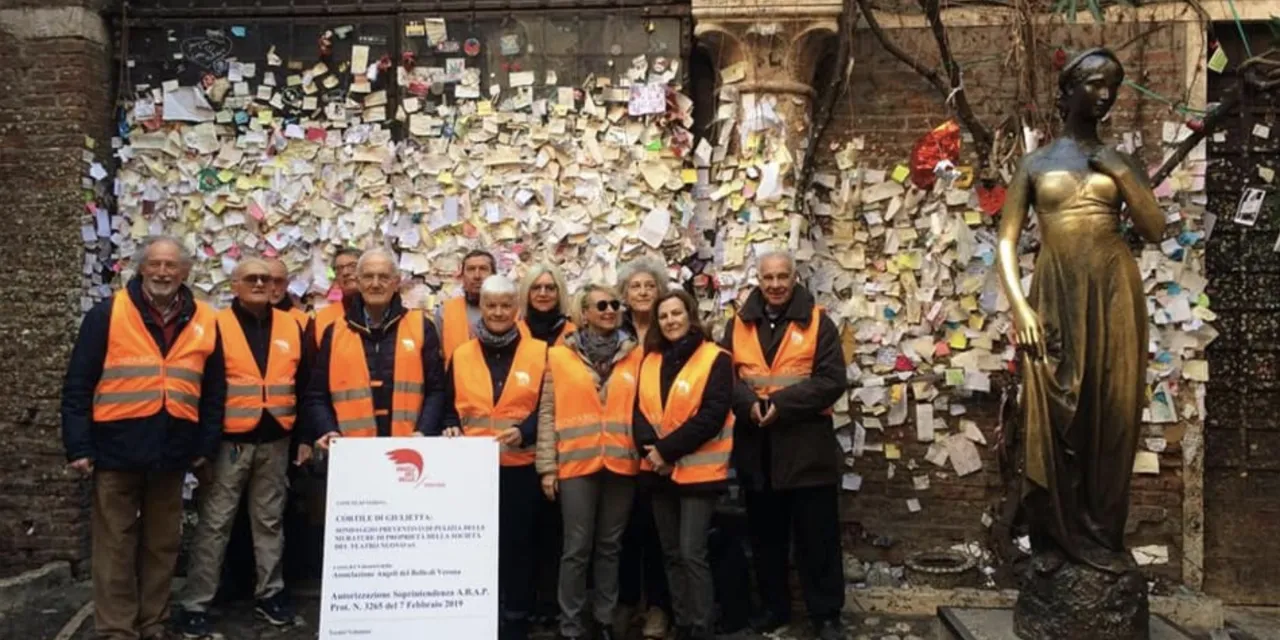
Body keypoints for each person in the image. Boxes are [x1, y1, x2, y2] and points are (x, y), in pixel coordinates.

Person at [996, 50, 1162, 636]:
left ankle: (1103, 537)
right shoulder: (1036, 163)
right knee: (1052, 419)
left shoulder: (1116, 158)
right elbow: (1007, 242)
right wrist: (1020, 308)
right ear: (1068, 89)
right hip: (1054, 294)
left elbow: (1155, 227)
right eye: (1095, 83)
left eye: (1113, 87)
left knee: (1113, 414)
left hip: (1113, 291)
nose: (1106, 95)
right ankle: (1055, 538)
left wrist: (1119, 169)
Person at [61, 235, 226, 640]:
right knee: (115, 544)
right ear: (141, 268)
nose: (163, 273)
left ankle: (153, 623)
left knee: (162, 544)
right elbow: (78, 384)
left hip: (172, 452)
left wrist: (203, 447)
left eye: (171, 266)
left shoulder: (205, 319)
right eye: (155, 264)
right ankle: (117, 629)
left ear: (186, 272)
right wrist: (79, 445)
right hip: (115, 447)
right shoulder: (108, 313)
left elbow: (214, 391)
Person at [721, 251, 848, 640]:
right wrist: (749, 406)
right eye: (768, 277)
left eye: (782, 277)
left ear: (795, 278)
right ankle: (774, 609)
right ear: (757, 280)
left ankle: (825, 615)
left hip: (807, 450)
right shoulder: (738, 325)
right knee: (766, 540)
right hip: (758, 451)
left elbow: (831, 380)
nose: (775, 284)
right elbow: (725, 380)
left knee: (818, 539)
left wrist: (780, 406)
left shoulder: (818, 322)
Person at [177, 258, 306, 636]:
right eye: (251, 278)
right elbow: (205, 387)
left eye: (266, 278)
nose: (260, 283)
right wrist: (204, 445)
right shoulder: (216, 325)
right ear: (234, 284)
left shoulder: (292, 324)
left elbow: (302, 382)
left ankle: (270, 595)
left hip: (276, 439)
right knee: (215, 523)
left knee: (269, 522)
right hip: (229, 443)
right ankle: (196, 602)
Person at [439, 275, 547, 640]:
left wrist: (526, 431)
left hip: (521, 465)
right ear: (480, 308)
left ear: (517, 309)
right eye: (491, 305)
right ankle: (478, 616)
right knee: (476, 546)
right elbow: (449, 405)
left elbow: (549, 406)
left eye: (505, 305)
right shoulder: (462, 354)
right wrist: (451, 426)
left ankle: (516, 617)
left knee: (519, 545)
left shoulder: (539, 352)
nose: (498, 312)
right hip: (472, 470)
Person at [536, 284, 644, 640]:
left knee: (611, 546)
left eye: (615, 304)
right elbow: (548, 412)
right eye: (601, 305)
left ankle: (604, 620)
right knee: (576, 548)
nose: (610, 310)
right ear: (584, 313)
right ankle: (570, 625)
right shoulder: (559, 356)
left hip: (620, 464)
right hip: (576, 465)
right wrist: (547, 466)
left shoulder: (635, 354)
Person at [633, 290, 734, 640]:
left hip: (698, 474)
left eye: (677, 313)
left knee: (692, 553)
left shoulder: (715, 358)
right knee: (672, 553)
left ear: (690, 316)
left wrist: (665, 453)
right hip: (658, 474)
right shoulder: (650, 360)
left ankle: (702, 628)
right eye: (664, 316)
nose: (671, 321)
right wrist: (653, 454)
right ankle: (684, 622)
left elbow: (712, 415)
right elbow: (639, 413)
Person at [305, 248, 445, 445]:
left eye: (384, 277)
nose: (375, 284)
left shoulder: (421, 326)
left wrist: (424, 432)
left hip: (408, 449)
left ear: (396, 283)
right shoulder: (335, 331)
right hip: (352, 451)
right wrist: (328, 430)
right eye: (368, 277)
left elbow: (437, 390)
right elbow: (317, 395)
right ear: (359, 282)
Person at [615, 257, 672, 638]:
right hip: (617, 444)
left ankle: (658, 607)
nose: (642, 293)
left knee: (657, 531)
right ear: (623, 293)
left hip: (660, 447)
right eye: (635, 286)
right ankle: (625, 602)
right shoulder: (610, 328)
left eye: (649, 286)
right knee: (623, 530)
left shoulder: (670, 331)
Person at [437, 249, 496, 367]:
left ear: (494, 275)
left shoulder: (511, 313)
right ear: (462, 276)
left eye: (483, 269)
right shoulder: (445, 312)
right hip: (456, 383)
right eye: (471, 269)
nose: (477, 276)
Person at [308, 247, 361, 348]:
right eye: (339, 269)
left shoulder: (378, 311)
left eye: (353, 266)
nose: (345, 273)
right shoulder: (324, 318)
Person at [517, 263, 576, 346]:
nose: (543, 294)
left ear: (559, 292)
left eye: (550, 288)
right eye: (536, 288)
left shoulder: (574, 334)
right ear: (527, 292)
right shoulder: (514, 333)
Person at [267, 258, 309, 330]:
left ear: (287, 284)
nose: (273, 287)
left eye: (278, 281)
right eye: (267, 280)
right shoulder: (243, 319)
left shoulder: (303, 322)